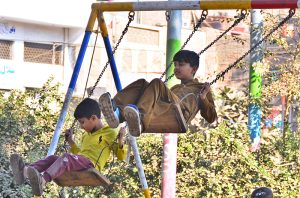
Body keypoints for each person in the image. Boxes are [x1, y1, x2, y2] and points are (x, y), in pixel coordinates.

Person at [10, 98, 127, 196]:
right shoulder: (86, 136)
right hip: (81, 162)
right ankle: (24, 172)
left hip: (92, 164)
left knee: (66, 158)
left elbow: (121, 156)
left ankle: (42, 180)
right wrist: (71, 141)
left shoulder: (110, 132)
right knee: (52, 158)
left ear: (94, 118)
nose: (81, 126)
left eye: (82, 122)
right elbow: (78, 155)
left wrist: (121, 140)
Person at [99, 50, 217, 137]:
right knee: (142, 83)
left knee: (156, 82)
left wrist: (203, 98)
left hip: (180, 113)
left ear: (194, 69)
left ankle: (140, 118)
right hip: (165, 109)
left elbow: (211, 117)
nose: (176, 68)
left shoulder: (201, 88)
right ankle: (118, 113)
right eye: (175, 64)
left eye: (181, 65)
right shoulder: (175, 88)